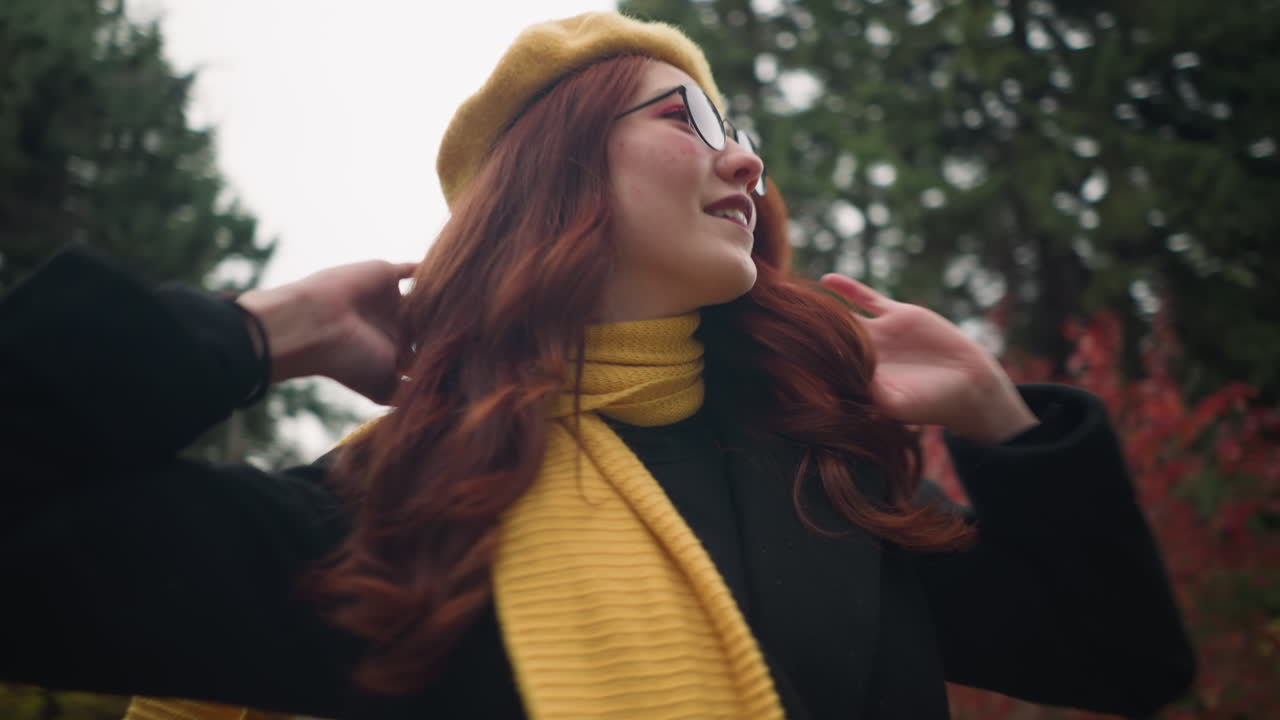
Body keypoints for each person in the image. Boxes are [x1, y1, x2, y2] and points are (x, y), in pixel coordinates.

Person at [0, 11, 1193, 720]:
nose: (745, 164)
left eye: (742, 134)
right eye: (687, 120)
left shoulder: (827, 485)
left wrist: (998, 419)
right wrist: (265, 331)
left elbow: (1121, 660)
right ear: (554, 177)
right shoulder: (387, 521)